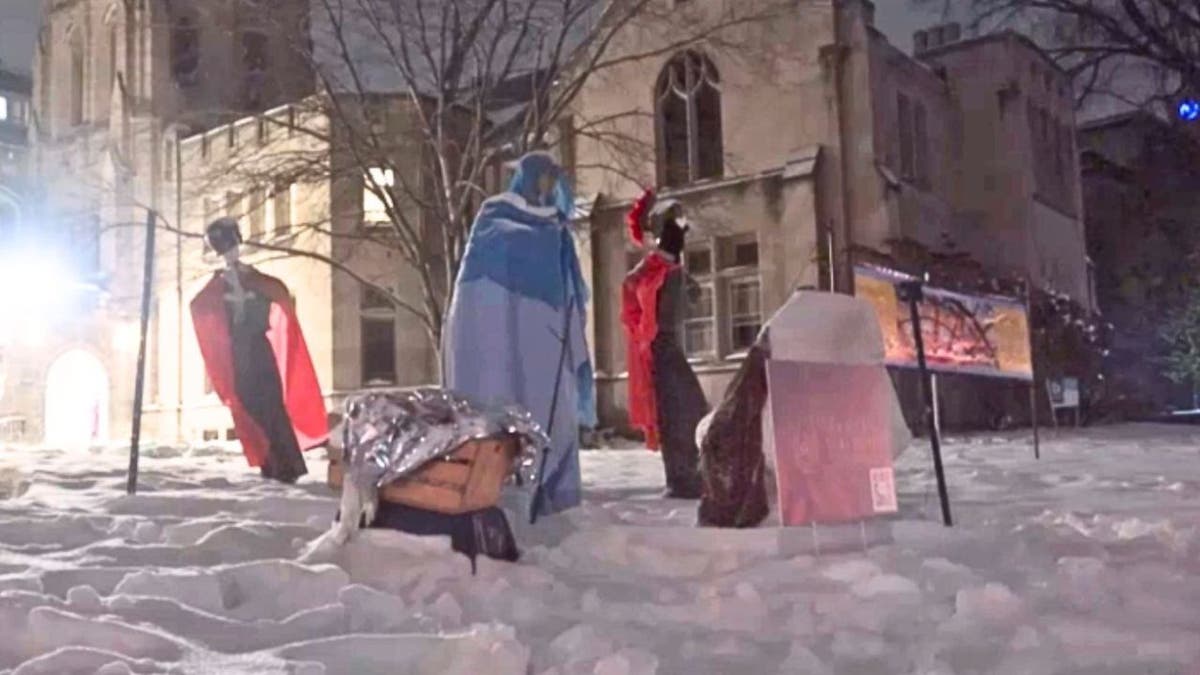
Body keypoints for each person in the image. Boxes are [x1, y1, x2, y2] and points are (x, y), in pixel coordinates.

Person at [443, 152, 596, 518]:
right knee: (498, 403)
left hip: (544, 330)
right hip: (494, 329)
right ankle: (496, 487)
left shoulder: (555, 228)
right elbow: (471, 289)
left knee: (550, 412)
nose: (548, 188)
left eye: (552, 180)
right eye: (543, 179)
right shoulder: (494, 217)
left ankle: (547, 492)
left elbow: (567, 283)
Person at [191, 218, 328, 483]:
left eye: (230, 243)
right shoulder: (218, 288)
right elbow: (202, 307)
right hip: (238, 355)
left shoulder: (258, 282)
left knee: (270, 405)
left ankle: (284, 464)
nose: (229, 251)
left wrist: (249, 288)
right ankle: (271, 461)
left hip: (257, 351)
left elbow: (278, 295)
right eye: (223, 246)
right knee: (250, 406)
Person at [621, 189, 705, 498]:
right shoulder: (652, 267)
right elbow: (631, 289)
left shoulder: (673, 269)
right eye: (677, 231)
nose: (682, 237)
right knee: (677, 409)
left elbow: (692, 294)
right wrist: (643, 330)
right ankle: (682, 478)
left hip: (671, 346)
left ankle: (689, 474)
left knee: (690, 407)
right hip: (659, 348)